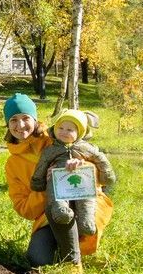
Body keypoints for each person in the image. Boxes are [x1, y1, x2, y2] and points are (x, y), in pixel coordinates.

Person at [1, 92, 113, 273]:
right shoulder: (13, 164)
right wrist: (48, 188)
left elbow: (96, 168)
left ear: (35, 119)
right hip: (51, 214)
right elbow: (24, 208)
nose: (20, 125)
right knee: (38, 259)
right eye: (13, 120)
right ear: (7, 124)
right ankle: (64, 245)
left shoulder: (58, 135)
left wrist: (80, 166)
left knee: (76, 224)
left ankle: (73, 264)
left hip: (85, 204)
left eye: (25, 118)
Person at [29, 109, 117, 265]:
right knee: (56, 196)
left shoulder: (86, 148)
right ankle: (60, 211)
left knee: (86, 201)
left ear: (80, 132)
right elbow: (41, 165)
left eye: (70, 130)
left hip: (83, 187)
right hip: (57, 188)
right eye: (60, 128)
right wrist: (39, 181)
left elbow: (100, 159)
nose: (64, 132)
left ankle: (86, 221)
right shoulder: (51, 150)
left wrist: (102, 174)